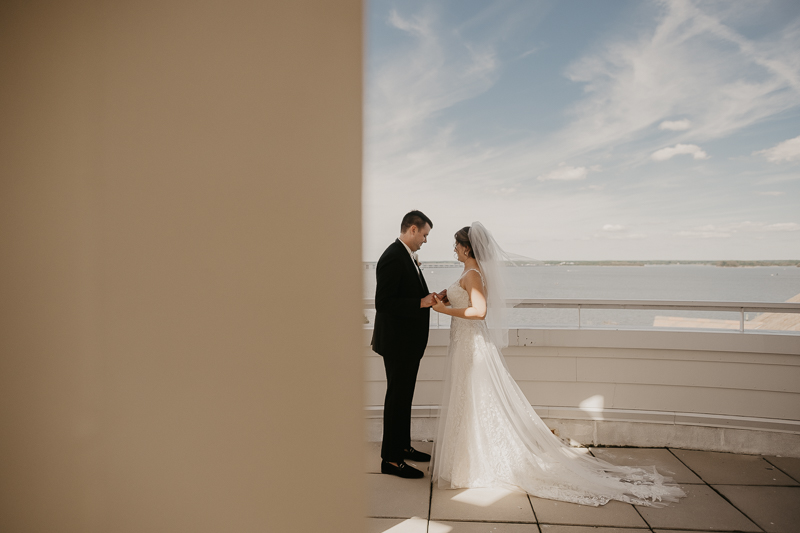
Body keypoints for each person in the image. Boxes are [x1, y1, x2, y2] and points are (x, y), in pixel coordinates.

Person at [429, 222, 685, 506]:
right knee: (468, 403)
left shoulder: (474, 273)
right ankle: (467, 460)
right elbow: (462, 293)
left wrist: (444, 310)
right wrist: (443, 295)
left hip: (472, 346)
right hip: (464, 344)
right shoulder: (469, 271)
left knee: (476, 400)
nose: (453, 249)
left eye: (456, 245)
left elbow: (480, 311)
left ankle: (476, 463)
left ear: (466, 247)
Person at [372, 210, 447, 479]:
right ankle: (390, 460)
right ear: (412, 229)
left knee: (404, 398)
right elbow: (384, 303)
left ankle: (402, 446)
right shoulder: (393, 256)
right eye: (425, 235)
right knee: (397, 399)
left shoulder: (405, 255)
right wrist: (420, 302)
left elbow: (407, 293)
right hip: (396, 343)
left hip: (406, 343)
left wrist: (428, 297)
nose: (425, 240)